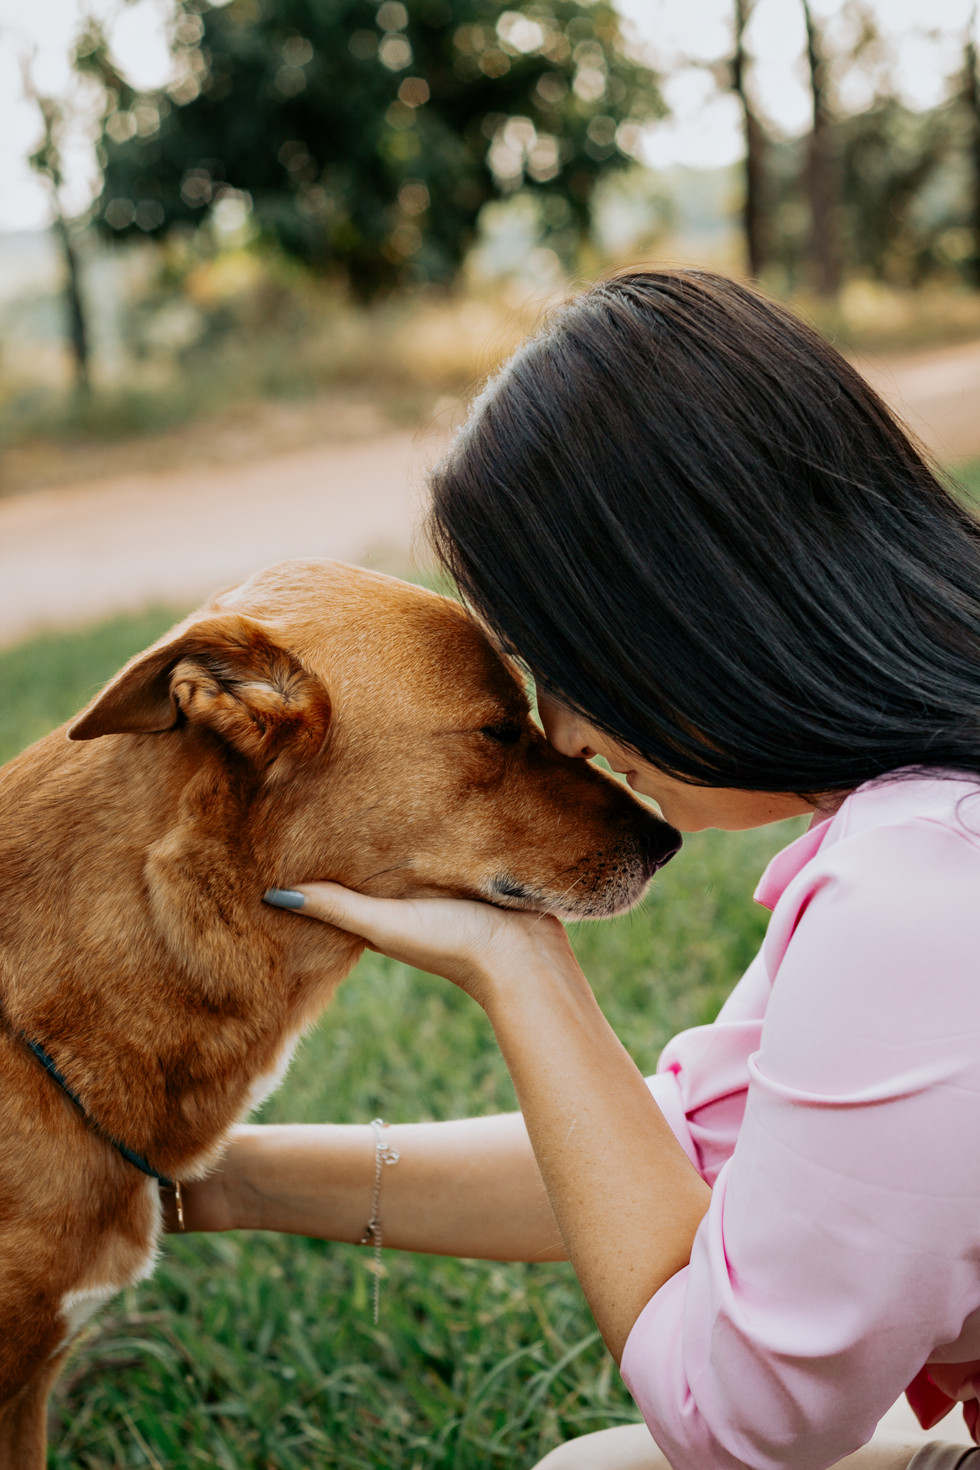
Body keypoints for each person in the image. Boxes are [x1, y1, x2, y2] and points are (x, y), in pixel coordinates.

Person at [183, 271, 980, 1470]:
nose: (561, 735)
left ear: (686, 606)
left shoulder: (917, 900)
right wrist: (211, 1180)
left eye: (556, 660)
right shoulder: (911, 831)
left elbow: (738, 1424)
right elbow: (689, 1154)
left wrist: (524, 980)